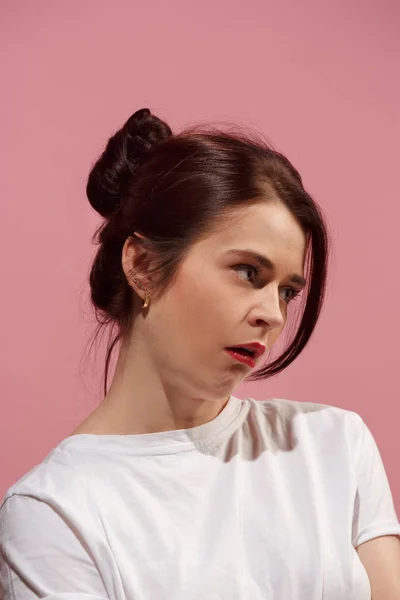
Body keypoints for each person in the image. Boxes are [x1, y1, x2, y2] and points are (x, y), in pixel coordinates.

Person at [1, 108, 399, 600]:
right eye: (248, 272)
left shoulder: (333, 445)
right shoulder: (54, 512)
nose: (272, 314)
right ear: (143, 264)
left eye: (287, 291)